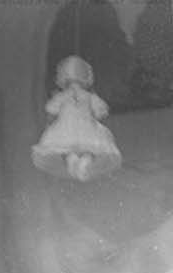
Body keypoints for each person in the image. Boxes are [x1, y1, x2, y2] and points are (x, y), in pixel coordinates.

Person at [30, 54, 121, 182]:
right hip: (87, 128)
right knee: (90, 148)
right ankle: (85, 161)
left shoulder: (61, 96)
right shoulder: (89, 96)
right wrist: (94, 116)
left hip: (65, 129)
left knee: (66, 149)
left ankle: (71, 159)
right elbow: (101, 111)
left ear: (63, 79)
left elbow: (51, 109)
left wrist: (51, 120)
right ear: (85, 78)